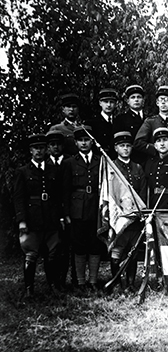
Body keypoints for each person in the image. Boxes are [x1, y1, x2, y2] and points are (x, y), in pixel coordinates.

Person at [13, 134, 62, 297]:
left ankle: (53, 285)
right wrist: (22, 221)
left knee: (52, 254)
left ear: (46, 150)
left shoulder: (54, 170)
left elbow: (58, 196)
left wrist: (60, 216)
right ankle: (29, 289)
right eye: (36, 148)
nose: (39, 151)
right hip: (32, 218)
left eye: (42, 148)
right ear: (30, 151)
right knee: (31, 254)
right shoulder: (23, 172)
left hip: (50, 217)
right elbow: (18, 198)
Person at [62, 126, 103, 291]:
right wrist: (66, 213)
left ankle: (93, 281)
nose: (84, 143)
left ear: (92, 141)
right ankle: (79, 282)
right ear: (76, 143)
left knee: (95, 244)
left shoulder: (101, 161)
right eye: (80, 140)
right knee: (78, 245)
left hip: (96, 206)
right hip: (77, 208)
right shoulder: (70, 163)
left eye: (87, 140)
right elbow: (65, 190)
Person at [110, 131, 147, 292]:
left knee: (133, 251)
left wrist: (141, 211)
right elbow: (110, 194)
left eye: (128, 146)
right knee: (117, 250)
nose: (125, 149)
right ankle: (116, 282)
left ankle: (131, 284)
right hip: (120, 218)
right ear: (116, 148)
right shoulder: (112, 168)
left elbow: (144, 191)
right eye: (121, 146)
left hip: (135, 217)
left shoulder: (138, 168)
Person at [45, 130, 74, 288]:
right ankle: (52, 281)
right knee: (51, 249)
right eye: (52, 145)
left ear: (63, 146)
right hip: (49, 213)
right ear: (48, 147)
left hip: (68, 210)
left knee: (65, 247)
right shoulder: (44, 163)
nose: (55, 148)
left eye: (58, 144)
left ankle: (64, 280)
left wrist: (66, 213)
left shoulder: (69, 162)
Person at [134, 86, 168, 159]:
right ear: (157, 103)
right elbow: (138, 143)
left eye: (166, 100)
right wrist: (156, 149)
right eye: (161, 100)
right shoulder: (150, 121)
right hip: (156, 161)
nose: (163, 102)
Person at [113, 85, 147, 163]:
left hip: (148, 160)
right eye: (133, 97)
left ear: (143, 100)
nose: (136, 100)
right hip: (130, 161)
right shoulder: (121, 119)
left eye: (139, 97)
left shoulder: (150, 118)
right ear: (128, 101)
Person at [86, 88, 119, 159]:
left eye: (111, 102)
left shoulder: (119, 122)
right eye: (106, 102)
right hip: (99, 160)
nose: (109, 105)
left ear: (116, 104)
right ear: (100, 103)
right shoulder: (92, 123)